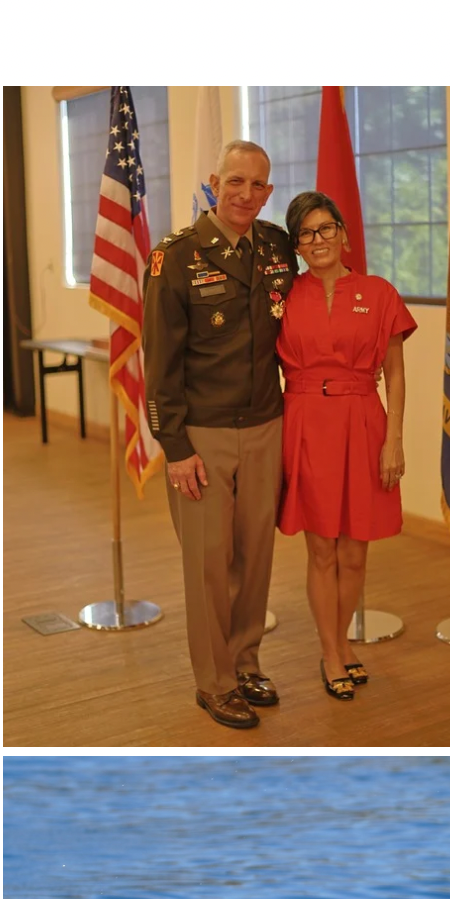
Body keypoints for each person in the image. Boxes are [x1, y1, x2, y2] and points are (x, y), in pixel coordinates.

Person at [142, 140, 298, 729]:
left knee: (255, 558)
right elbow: (160, 364)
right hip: (202, 435)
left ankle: (246, 662)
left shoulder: (278, 247)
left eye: (258, 185)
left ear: (269, 192)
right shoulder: (175, 257)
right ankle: (214, 683)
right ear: (215, 182)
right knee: (209, 564)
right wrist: (175, 448)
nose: (246, 194)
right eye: (236, 182)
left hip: (265, 424)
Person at [276, 191, 417, 700]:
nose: (318, 240)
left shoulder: (379, 292)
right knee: (321, 549)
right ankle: (331, 650)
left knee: (355, 550)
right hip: (306, 421)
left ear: (343, 233)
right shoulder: (283, 296)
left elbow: (396, 374)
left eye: (326, 228)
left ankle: (343, 642)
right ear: (297, 244)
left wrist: (394, 440)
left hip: (363, 422)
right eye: (307, 233)